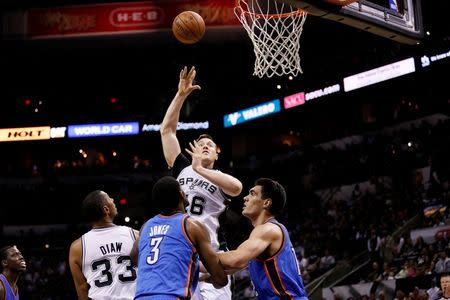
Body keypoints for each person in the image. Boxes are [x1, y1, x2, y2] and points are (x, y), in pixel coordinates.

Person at [160, 66, 242, 299]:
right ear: (193, 148)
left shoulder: (220, 177)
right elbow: (167, 131)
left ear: (217, 154)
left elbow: (236, 188)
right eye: (200, 143)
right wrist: (181, 94)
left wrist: (199, 169)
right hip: (183, 257)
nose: (205, 145)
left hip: (214, 256)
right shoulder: (182, 167)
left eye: (210, 145)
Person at [131, 176, 228, 299]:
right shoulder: (192, 226)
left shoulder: (146, 226)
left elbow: (134, 257)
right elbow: (221, 280)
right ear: (181, 194)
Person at [218, 178, 308, 299]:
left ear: (266, 203)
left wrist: (192, 257)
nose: (245, 198)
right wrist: (195, 268)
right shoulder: (262, 238)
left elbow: (234, 259)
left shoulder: (268, 229)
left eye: (252, 193)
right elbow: (225, 268)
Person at [69, 190, 139, 300]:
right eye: (109, 198)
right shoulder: (135, 235)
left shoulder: (77, 247)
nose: (113, 200)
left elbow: (82, 290)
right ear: (106, 210)